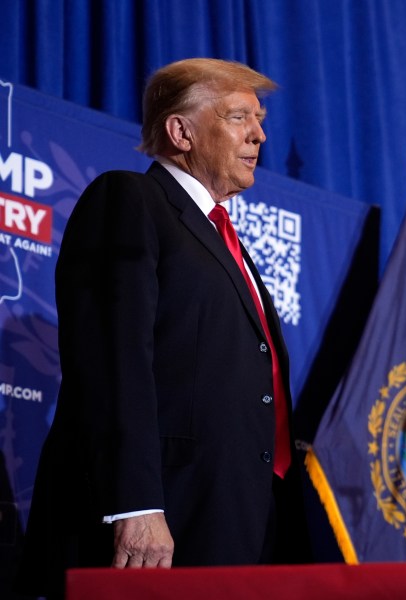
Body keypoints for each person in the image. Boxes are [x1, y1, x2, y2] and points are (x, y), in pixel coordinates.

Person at [17, 58, 310, 598]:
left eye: (260, 118)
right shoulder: (129, 201)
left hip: (246, 517)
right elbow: (113, 362)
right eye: (240, 116)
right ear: (181, 131)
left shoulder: (228, 241)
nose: (260, 134)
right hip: (166, 517)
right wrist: (136, 502)